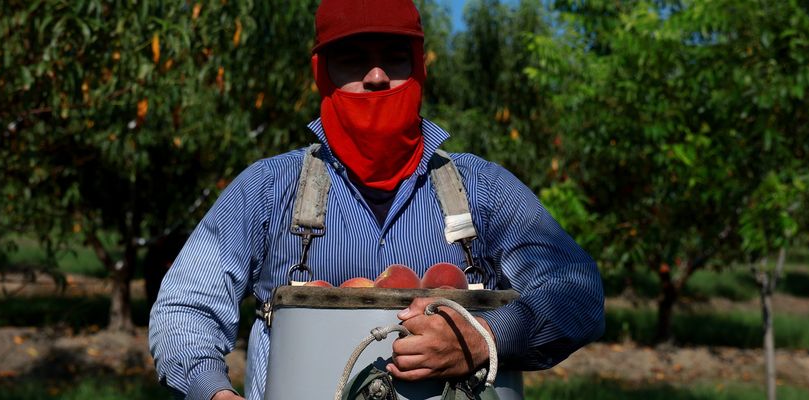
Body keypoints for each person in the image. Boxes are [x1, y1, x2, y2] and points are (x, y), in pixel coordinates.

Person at [148, 1, 605, 399]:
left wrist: (483, 336)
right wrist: (214, 391)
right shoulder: (267, 190)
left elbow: (576, 289)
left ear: (420, 67)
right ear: (321, 75)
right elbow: (184, 308)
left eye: (395, 57)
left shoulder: (481, 189)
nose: (377, 77)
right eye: (351, 59)